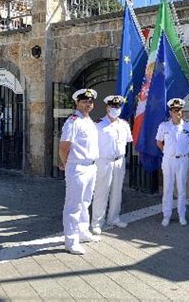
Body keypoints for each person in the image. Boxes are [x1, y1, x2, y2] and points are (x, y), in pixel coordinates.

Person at [59, 88, 100, 255]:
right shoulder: (73, 121)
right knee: (73, 205)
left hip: (90, 166)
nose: (87, 104)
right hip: (77, 167)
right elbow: (63, 147)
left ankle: (83, 232)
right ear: (77, 103)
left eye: (90, 101)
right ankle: (71, 241)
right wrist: (66, 164)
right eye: (84, 101)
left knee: (85, 202)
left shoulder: (89, 121)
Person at [91, 95, 133, 235]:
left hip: (119, 161)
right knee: (101, 192)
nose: (115, 109)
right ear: (107, 107)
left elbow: (127, 142)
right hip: (104, 161)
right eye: (113, 106)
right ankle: (97, 222)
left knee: (117, 191)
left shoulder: (124, 125)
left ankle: (113, 217)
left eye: (118, 107)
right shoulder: (98, 124)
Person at [156, 98, 189, 227]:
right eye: (174, 110)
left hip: (182, 160)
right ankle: (166, 216)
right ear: (170, 112)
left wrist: (182, 151)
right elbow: (159, 142)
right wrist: (168, 152)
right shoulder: (164, 126)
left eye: (179, 110)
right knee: (168, 188)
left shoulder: (188, 127)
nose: (177, 113)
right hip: (168, 160)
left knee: (181, 189)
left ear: (182, 111)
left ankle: (182, 215)